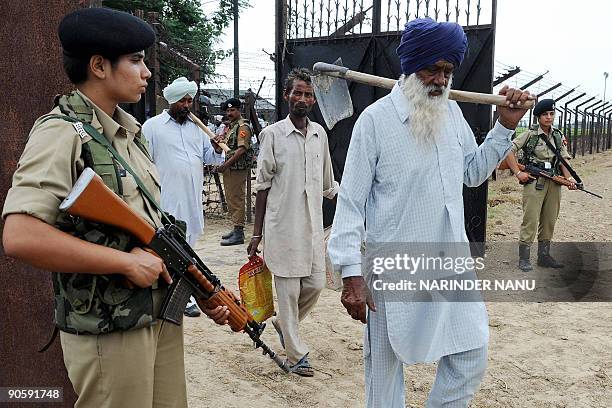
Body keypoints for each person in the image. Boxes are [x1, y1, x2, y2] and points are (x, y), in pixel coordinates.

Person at [1, 8, 228, 407]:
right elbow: (21, 236)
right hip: (108, 329)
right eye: (136, 60)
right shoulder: (61, 133)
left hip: (156, 317)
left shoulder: (129, 133)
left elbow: (152, 233)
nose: (147, 73)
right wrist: (123, 263)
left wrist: (204, 291)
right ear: (100, 66)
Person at [327, 17, 533, 408]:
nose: (440, 80)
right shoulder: (374, 123)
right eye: (432, 69)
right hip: (390, 269)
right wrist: (350, 274)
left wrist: (505, 125)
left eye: (447, 71)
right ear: (409, 66)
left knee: (471, 351)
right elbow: (350, 205)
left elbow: (472, 174)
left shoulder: (452, 115)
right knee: (385, 377)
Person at [247, 68, 339, 376]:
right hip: (281, 228)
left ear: (314, 100)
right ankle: (295, 354)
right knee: (286, 293)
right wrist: (257, 234)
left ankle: (285, 328)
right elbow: (261, 187)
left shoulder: (319, 135)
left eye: (308, 94)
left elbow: (328, 184)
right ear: (287, 96)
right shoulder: (272, 135)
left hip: (312, 228)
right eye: (297, 92)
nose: (302, 98)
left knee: (315, 284)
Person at [142, 77, 224, 317]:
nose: (187, 105)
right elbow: (144, 162)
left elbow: (210, 158)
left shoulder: (197, 129)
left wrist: (216, 147)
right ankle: (170, 293)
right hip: (166, 199)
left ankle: (184, 294)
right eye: (183, 101)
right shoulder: (153, 127)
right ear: (172, 102)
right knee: (170, 249)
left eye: (190, 100)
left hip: (191, 200)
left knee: (190, 249)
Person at [504, 99, 577, 272]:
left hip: (554, 182)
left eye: (551, 114)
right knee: (530, 219)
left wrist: (569, 180)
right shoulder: (530, 134)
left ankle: (544, 256)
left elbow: (563, 160)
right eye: (545, 114)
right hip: (534, 181)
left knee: (549, 219)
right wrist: (518, 173)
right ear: (538, 117)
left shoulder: (558, 135)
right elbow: (509, 150)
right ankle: (524, 258)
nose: (549, 117)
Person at [215, 98, 254, 246]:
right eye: (228, 111)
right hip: (231, 167)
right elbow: (223, 147)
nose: (230, 113)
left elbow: (241, 150)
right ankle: (236, 228)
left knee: (236, 198)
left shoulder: (242, 127)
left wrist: (225, 165)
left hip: (237, 168)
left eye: (232, 110)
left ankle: (239, 233)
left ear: (239, 110)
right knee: (231, 198)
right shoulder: (231, 127)